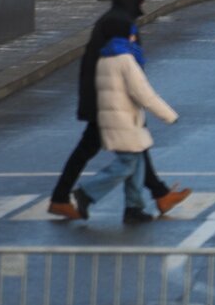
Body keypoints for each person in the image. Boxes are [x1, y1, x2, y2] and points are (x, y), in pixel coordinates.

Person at [49, 0, 190, 220]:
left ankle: (142, 203)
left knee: (133, 147)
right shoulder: (119, 24)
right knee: (127, 152)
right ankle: (74, 197)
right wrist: (160, 110)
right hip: (111, 101)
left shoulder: (114, 19)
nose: (143, 3)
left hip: (107, 97)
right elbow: (126, 68)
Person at [70, 12, 179, 223]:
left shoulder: (106, 57)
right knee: (127, 164)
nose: (133, 37)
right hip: (124, 121)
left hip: (115, 118)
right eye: (131, 34)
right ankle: (86, 193)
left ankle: (134, 208)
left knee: (136, 164)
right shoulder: (125, 60)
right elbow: (143, 93)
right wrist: (169, 115)